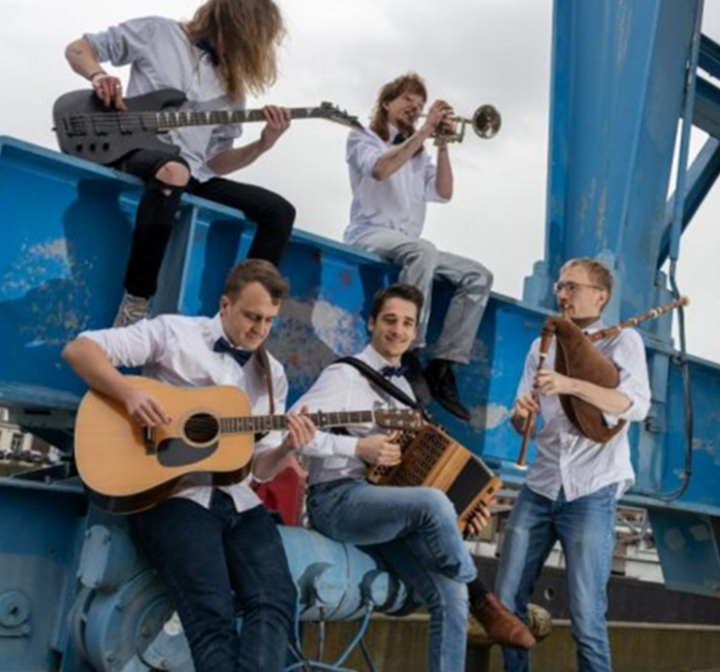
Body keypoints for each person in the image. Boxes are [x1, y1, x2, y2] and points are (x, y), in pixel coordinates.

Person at [62, 259, 316, 672]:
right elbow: (80, 350)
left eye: (270, 320)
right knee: (211, 617)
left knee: (276, 601)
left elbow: (262, 469)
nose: (260, 330)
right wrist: (128, 394)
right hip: (170, 495)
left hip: (237, 500)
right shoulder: (175, 333)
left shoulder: (274, 376)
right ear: (225, 304)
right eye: (252, 316)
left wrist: (288, 445)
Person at [284, 283, 534, 672]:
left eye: (407, 324)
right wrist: (355, 449)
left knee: (449, 593)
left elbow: (411, 473)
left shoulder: (403, 389)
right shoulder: (344, 375)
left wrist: (464, 514)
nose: (398, 331)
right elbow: (292, 431)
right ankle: (484, 597)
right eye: (389, 320)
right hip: (336, 500)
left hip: (383, 509)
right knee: (434, 504)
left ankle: (468, 599)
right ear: (371, 323)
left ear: (415, 332)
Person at [65, 0, 296, 326]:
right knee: (174, 172)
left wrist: (263, 145)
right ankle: (136, 302)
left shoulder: (233, 88)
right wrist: (98, 75)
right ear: (231, 18)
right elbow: (78, 47)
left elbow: (215, 162)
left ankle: (241, 315)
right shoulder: (158, 33)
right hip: (136, 150)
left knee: (279, 211)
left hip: (193, 172)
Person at [495, 258, 652, 672]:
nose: (562, 294)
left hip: (591, 490)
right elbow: (524, 418)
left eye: (572, 287)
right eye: (560, 287)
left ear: (600, 296)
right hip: (541, 484)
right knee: (506, 604)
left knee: (586, 616)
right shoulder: (540, 346)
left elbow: (633, 405)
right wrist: (521, 416)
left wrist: (568, 384)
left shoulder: (623, 341)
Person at [343, 72, 493, 421]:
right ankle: (411, 349)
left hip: (408, 244)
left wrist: (440, 144)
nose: (415, 108)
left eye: (420, 105)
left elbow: (443, 192)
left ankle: (443, 366)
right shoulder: (363, 137)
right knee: (422, 250)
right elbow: (380, 170)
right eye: (408, 100)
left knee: (478, 275)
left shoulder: (418, 155)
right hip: (369, 234)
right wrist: (425, 131)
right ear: (386, 103)